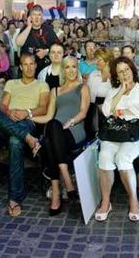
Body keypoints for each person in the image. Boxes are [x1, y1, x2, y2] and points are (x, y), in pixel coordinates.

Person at [0, 53, 50, 217]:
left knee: (14, 141)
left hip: (28, 122)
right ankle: (28, 138)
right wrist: (9, 112)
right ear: (20, 67)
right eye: (25, 64)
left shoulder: (42, 85)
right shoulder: (11, 83)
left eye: (32, 64)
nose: (29, 67)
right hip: (8, 121)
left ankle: (14, 198)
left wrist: (26, 113)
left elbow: (43, 108)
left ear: (36, 65)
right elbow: (3, 106)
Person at [95, 57, 139, 223]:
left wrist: (119, 111)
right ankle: (106, 202)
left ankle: (133, 201)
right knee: (104, 157)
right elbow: (107, 111)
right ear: (116, 75)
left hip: (138, 132)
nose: (125, 74)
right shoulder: (113, 91)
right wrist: (121, 91)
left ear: (132, 70)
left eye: (127, 69)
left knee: (122, 158)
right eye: (120, 72)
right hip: (115, 132)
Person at [39, 56, 89, 215]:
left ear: (77, 69)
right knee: (52, 129)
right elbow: (48, 116)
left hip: (74, 130)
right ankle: (65, 181)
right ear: (63, 70)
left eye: (74, 66)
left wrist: (70, 122)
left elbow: (83, 112)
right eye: (67, 67)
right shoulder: (55, 90)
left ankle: (57, 192)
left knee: (51, 133)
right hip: (56, 130)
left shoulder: (83, 88)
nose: (71, 70)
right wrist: (28, 117)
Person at [14, 5, 58, 75]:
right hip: (28, 68)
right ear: (30, 17)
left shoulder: (48, 29)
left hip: (43, 69)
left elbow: (58, 46)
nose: (37, 17)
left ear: (42, 17)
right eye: (34, 14)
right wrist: (29, 26)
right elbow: (18, 43)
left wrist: (46, 52)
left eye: (39, 15)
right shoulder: (25, 29)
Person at [86, 48, 113, 138]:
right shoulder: (93, 75)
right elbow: (88, 95)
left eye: (99, 59)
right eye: (95, 59)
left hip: (110, 110)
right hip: (94, 110)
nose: (96, 62)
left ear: (107, 61)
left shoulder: (115, 76)